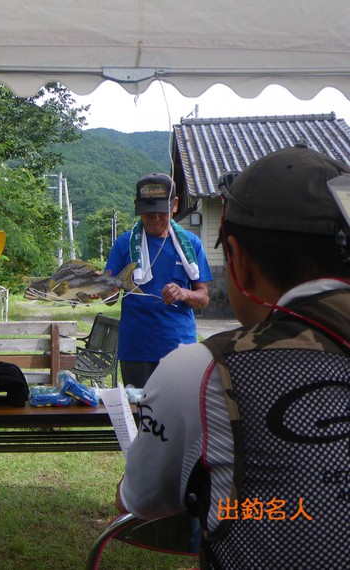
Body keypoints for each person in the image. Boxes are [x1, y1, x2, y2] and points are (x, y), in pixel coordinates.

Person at [116, 145, 350, 568]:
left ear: (238, 264)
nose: (153, 219)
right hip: (137, 344)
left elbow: (137, 500)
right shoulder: (126, 244)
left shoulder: (202, 371)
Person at [102, 172, 212, 388]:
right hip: (136, 350)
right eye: (147, 213)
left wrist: (184, 293)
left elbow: (203, 297)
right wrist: (100, 288)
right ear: (137, 206)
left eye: (161, 212)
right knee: (139, 414)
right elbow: (109, 299)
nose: (154, 218)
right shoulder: (124, 244)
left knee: (180, 414)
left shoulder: (191, 244)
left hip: (180, 349)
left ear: (175, 205)